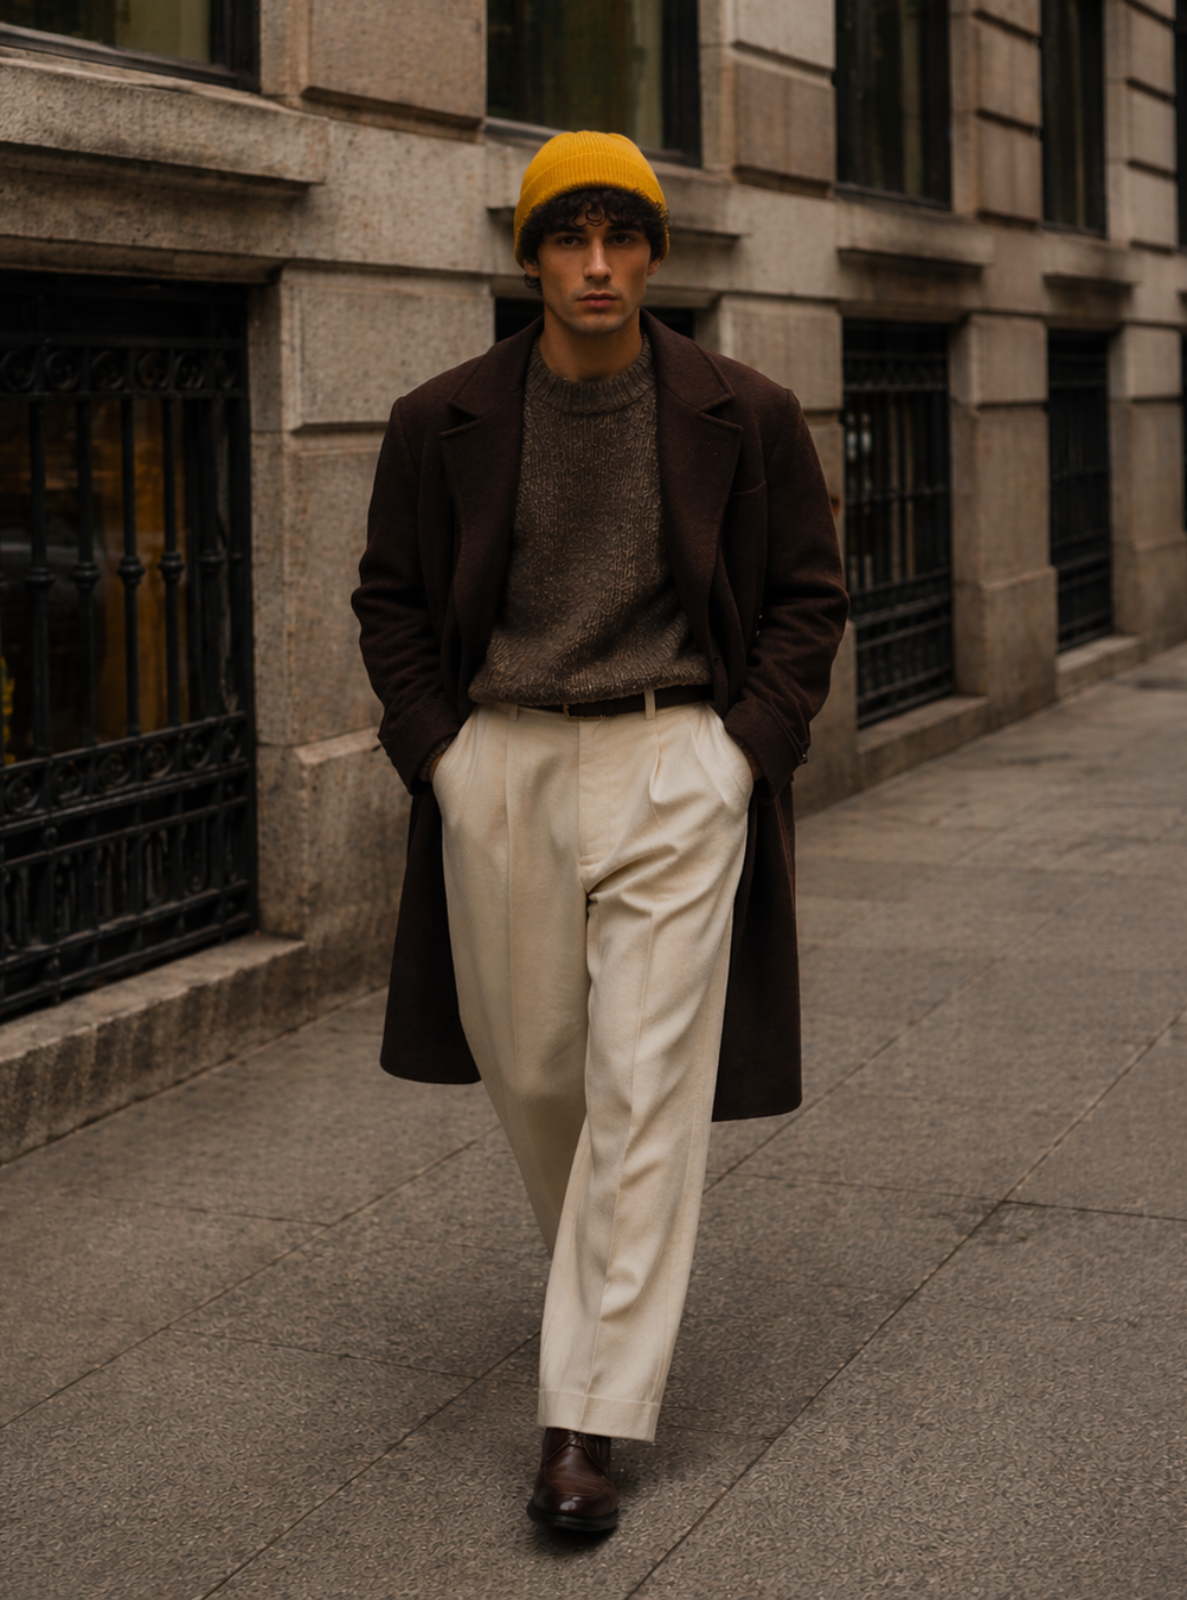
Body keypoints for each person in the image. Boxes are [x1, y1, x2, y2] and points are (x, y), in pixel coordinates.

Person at [353, 129, 847, 1534]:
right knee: (539, 1073)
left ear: (651, 253)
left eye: (619, 237)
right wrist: (439, 761)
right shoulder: (437, 415)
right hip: (497, 767)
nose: (594, 265)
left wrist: (739, 755)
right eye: (565, 239)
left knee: (644, 1082)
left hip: (672, 761)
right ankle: (602, 1292)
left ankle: (585, 1422)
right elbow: (388, 601)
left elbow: (807, 598)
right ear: (527, 257)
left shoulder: (741, 411)